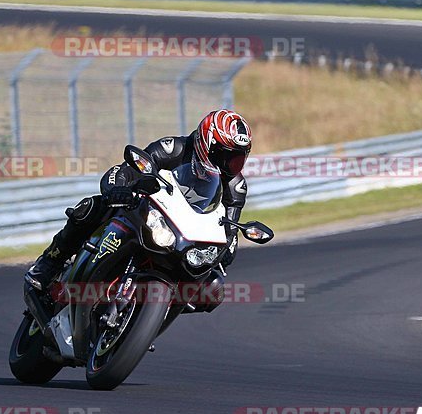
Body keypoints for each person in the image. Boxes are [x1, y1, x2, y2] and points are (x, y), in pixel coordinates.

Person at [25, 109, 252, 310]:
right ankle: (50, 261)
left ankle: (151, 318)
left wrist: (224, 251)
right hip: (148, 212)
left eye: (237, 158)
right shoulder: (174, 148)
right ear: (206, 144)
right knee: (91, 208)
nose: (230, 164)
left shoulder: (236, 187)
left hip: (184, 238)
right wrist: (120, 189)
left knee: (213, 289)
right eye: (225, 155)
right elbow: (127, 169)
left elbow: (229, 232)